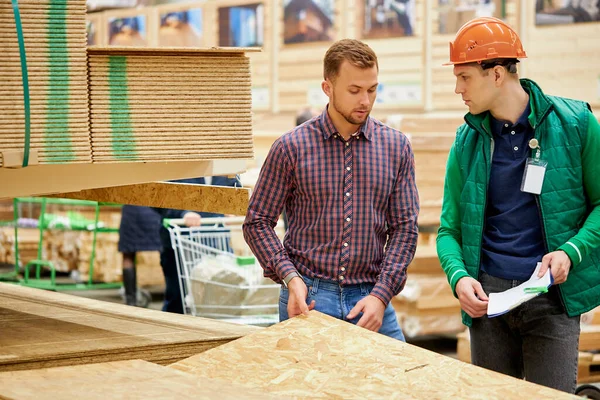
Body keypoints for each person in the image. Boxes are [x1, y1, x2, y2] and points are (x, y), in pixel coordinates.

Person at [436, 17, 600, 393]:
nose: (457, 88)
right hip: (488, 301)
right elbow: (449, 230)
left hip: (551, 299)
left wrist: (570, 252)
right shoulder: (467, 141)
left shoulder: (576, 124)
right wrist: (459, 278)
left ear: (496, 75)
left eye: (464, 77)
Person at [243, 39, 419, 340]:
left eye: (372, 89)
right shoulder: (291, 148)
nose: (365, 100)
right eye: (354, 90)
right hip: (308, 297)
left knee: (397, 383)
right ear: (328, 88)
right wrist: (290, 278)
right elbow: (257, 222)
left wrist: (381, 294)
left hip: (371, 299)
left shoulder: (396, 147)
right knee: (302, 386)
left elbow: (404, 228)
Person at [155, 176, 240, 314]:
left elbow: (236, 188)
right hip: (181, 242)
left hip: (215, 239)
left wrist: (233, 208)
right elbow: (155, 196)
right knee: (178, 297)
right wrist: (184, 213)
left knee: (218, 296)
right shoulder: (177, 164)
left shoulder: (225, 166)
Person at [117, 205, 161, 307]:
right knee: (165, 251)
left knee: (128, 255)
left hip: (131, 210)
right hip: (154, 211)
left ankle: (130, 301)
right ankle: (172, 299)